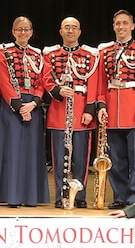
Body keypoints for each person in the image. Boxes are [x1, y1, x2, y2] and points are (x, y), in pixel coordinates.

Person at [93, 10, 135, 209]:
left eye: (125, 23)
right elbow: (101, 83)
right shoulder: (105, 51)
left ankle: (134, 196)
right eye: (118, 23)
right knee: (116, 159)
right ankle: (119, 195)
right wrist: (101, 105)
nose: (121, 26)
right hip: (112, 110)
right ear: (113, 26)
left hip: (134, 109)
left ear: (132, 26)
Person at [0, 16, 50, 208]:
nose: (23, 33)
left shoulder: (38, 55)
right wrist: (19, 106)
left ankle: (30, 196)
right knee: (12, 151)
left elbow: (42, 82)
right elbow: (4, 81)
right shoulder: (3, 53)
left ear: (31, 32)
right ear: (13, 32)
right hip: (12, 108)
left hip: (32, 107)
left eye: (26, 29)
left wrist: (34, 104)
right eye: (19, 29)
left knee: (31, 152)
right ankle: (12, 196)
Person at [42, 16, 99, 209]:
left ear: (80, 32)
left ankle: (79, 195)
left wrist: (90, 110)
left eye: (74, 27)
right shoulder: (50, 55)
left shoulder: (90, 56)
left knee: (81, 159)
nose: (70, 31)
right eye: (66, 27)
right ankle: (61, 195)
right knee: (59, 159)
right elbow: (46, 79)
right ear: (61, 31)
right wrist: (57, 90)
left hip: (82, 111)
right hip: (60, 111)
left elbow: (94, 84)